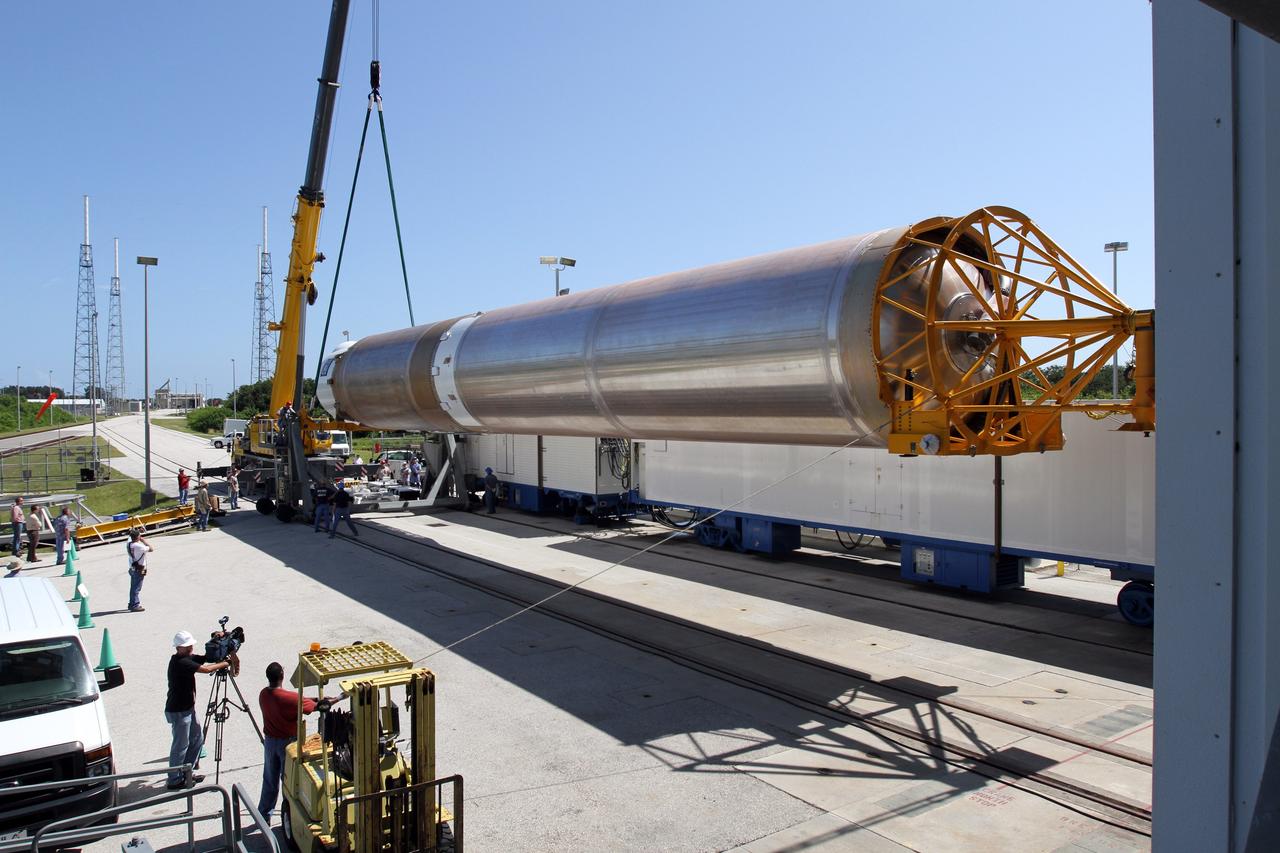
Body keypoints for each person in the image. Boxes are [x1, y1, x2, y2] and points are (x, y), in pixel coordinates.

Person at [165, 630, 234, 790]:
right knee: (180, 745)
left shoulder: (186, 658)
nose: (190, 648)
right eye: (187, 646)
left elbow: (205, 658)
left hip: (188, 708)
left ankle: (186, 772)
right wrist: (225, 664)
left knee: (197, 739)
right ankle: (174, 779)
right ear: (179, 648)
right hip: (179, 711)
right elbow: (207, 669)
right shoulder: (181, 662)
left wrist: (217, 642)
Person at [256, 661, 322, 820]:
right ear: (282, 677)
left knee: (270, 780)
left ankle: (263, 815)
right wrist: (337, 698)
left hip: (270, 743)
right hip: (288, 744)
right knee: (289, 782)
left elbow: (297, 701)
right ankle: (290, 815)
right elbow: (312, 707)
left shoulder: (263, 694)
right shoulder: (291, 698)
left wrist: (310, 699)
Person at [127, 529, 152, 612]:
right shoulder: (139, 546)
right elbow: (151, 548)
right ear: (138, 537)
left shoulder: (129, 544)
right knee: (137, 588)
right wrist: (144, 541)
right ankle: (135, 605)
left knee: (133, 587)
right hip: (140, 569)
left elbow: (130, 538)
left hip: (133, 568)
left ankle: (132, 603)